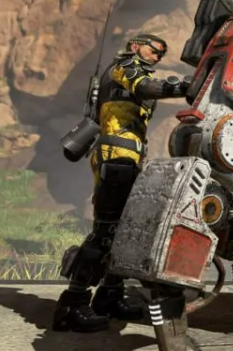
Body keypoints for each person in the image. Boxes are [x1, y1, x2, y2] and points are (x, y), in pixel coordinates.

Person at [53, 33, 189, 333]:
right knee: (104, 233)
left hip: (128, 158)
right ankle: (72, 304)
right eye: (154, 49)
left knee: (122, 233)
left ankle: (109, 297)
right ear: (135, 46)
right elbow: (146, 87)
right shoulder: (125, 67)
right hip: (117, 156)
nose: (158, 55)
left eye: (162, 52)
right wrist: (184, 86)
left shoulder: (133, 70)